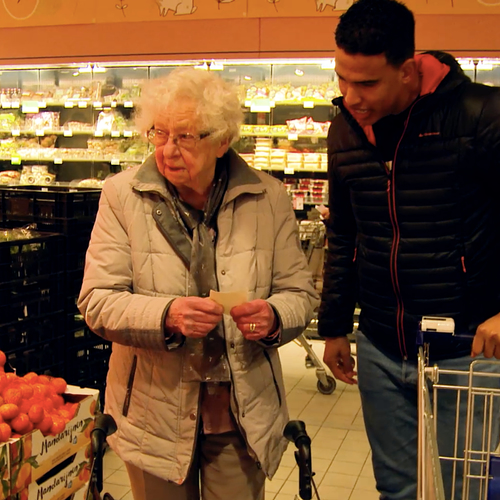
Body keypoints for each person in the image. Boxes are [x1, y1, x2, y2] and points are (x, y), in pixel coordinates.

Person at [78, 68, 318, 500]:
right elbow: (96, 300)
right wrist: (166, 316)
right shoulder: (120, 196)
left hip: (241, 415)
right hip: (152, 414)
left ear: (222, 140)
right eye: (160, 133)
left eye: (186, 137)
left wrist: (275, 315)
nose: (168, 150)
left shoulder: (269, 198)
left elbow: (300, 293)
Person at [317, 0, 500, 499]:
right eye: (342, 79)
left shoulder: (481, 115)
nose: (351, 97)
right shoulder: (346, 129)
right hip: (380, 344)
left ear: (406, 68)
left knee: (470, 488)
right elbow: (345, 234)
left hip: (467, 348)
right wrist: (333, 326)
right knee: (396, 489)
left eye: (368, 84)